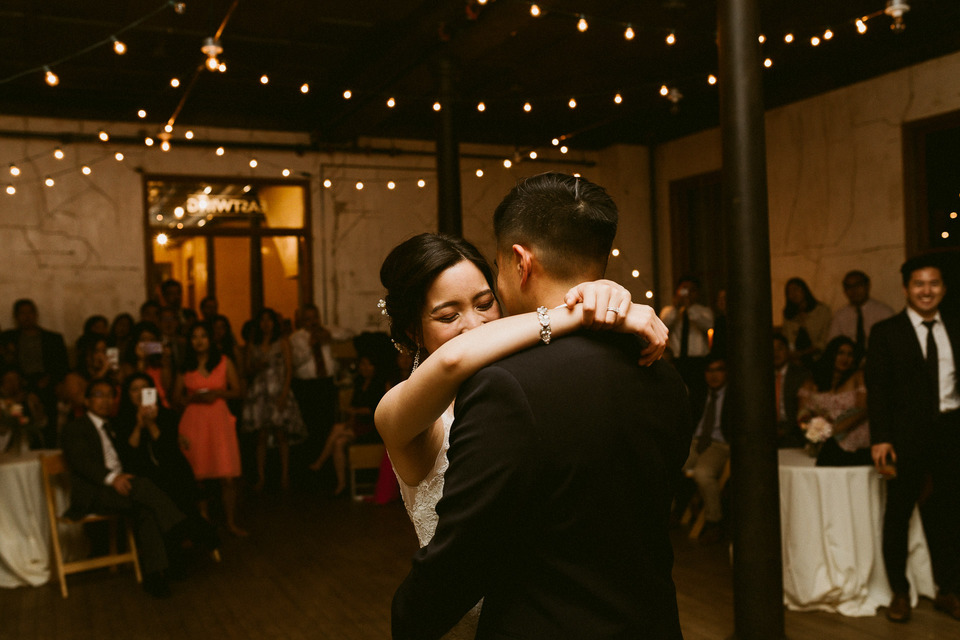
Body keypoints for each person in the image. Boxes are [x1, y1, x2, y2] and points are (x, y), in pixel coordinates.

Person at [389, 173, 691, 639]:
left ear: (518, 263)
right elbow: (451, 362)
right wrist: (595, 305)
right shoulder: (662, 373)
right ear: (412, 329)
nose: (473, 325)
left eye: (485, 301)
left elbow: (463, 559)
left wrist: (409, 621)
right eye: (448, 315)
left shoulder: (506, 387)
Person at [867, 255, 960, 623]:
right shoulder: (886, 332)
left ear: (944, 289)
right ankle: (900, 594)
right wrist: (881, 438)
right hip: (904, 438)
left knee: (952, 514)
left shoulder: (955, 325)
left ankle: (949, 591)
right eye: (919, 284)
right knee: (898, 515)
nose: (927, 291)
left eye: (934, 283)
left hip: (952, 433)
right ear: (906, 288)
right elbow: (878, 389)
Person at [61, 378, 217, 598]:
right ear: (86, 401)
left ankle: (154, 577)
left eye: (109, 395)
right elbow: (82, 462)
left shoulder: (114, 425)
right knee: (145, 486)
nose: (105, 400)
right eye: (99, 395)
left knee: (146, 509)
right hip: (96, 492)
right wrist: (112, 478)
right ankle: (188, 526)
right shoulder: (76, 428)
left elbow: (134, 455)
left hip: (124, 487)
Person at [174, 322, 246, 537]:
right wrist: (192, 398)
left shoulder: (224, 362)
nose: (198, 340)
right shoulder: (185, 366)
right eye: (194, 336)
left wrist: (217, 394)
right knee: (198, 475)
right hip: (194, 420)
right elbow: (176, 399)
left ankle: (230, 522)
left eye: (203, 336)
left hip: (219, 420)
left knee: (227, 476)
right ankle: (203, 522)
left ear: (210, 339)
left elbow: (237, 391)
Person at [115, 372, 201, 518]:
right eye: (135, 389)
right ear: (128, 394)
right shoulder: (120, 420)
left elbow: (167, 449)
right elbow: (128, 453)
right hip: (140, 470)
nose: (141, 393)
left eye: (145, 388)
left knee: (177, 472)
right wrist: (138, 425)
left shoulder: (167, 415)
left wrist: (150, 423)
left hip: (169, 466)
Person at [242, 308, 306, 492]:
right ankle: (261, 478)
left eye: (269, 320)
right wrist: (256, 366)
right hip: (260, 391)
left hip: (277, 388)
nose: (266, 323)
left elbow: (289, 369)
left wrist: (285, 393)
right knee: (261, 435)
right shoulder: (252, 344)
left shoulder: (282, 342)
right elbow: (246, 369)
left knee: (281, 434)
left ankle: (284, 475)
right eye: (262, 320)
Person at [309, 350, 390, 496]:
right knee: (339, 442)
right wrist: (351, 419)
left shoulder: (380, 384)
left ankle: (320, 461)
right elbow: (353, 407)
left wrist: (355, 412)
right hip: (359, 425)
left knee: (336, 428)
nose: (365, 368)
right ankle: (342, 484)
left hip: (372, 427)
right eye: (363, 364)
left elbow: (374, 409)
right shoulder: (359, 382)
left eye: (369, 365)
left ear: (375, 367)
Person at [0, 299, 69, 447]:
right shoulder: (7, 338)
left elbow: (63, 367)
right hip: (19, 383)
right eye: (22, 313)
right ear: (16, 317)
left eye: (30, 312)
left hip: (46, 382)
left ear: (36, 314)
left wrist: (50, 379)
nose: (27, 316)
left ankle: (49, 448)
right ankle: (25, 447)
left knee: (49, 402)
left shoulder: (53, 338)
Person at [680, 356, 731, 544]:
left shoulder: (735, 395)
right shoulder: (699, 393)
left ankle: (713, 521)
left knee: (702, 473)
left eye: (718, 370)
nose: (713, 375)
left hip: (720, 444)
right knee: (668, 464)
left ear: (726, 373)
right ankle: (666, 513)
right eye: (709, 371)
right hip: (695, 441)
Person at [797, 336, 871, 466]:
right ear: (831, 354)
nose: (845, 359)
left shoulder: (858, 376)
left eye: (850, 355)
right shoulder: (812, 382)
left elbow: (863, 409)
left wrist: (835, 430)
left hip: (853, 433)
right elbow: (802, 414)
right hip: (821, 438)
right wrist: (816, 434)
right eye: (840, 353)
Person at [289, 304, 337, 461]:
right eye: (308, 319)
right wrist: (311, 345)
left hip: (326, 384)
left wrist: (328, 335)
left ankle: (326, 464)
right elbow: (295, 362)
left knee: (328, 424)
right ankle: (310, 463)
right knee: (310, 425)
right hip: (307, 387)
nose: (313, 322)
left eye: (315, 318)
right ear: (303, 321)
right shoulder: (296, 338)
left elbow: (347, 333)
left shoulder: (325, 333)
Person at [660, 275, 713, 396]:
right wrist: (676, 307)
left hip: (698, 362)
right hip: (677, 360)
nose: (687, 293)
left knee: (698, 394)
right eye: (684, 289)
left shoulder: (704, 311)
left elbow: (707, 325)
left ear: (698, 293)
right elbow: (664, 324)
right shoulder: (669, 310)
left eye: (692, 290)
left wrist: (689, 307)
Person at [827, 270, 895, 352]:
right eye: (849, 287)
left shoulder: (884, 312)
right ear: (844, 291)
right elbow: (832, 343)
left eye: (858, 285)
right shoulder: (840, 315)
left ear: (867, 286)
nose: (854, 290)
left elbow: (893, 342)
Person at [782, 277, 832, 367]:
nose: (793, 294)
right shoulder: (789, 315)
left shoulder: (822, 311)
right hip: (793, 361)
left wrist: (803, 353)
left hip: (818, 358)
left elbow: (824, 340)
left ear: (804, 290)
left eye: (796, 289)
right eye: (789, 292)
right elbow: (786, 339)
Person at [773, 333, 810, 448]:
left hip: (794, 431)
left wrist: (785, 431)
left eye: (780, 348)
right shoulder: (760, 376)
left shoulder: (801, 375)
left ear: (788, 350)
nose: (776, 353)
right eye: (772, 349)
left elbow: (804, 411)